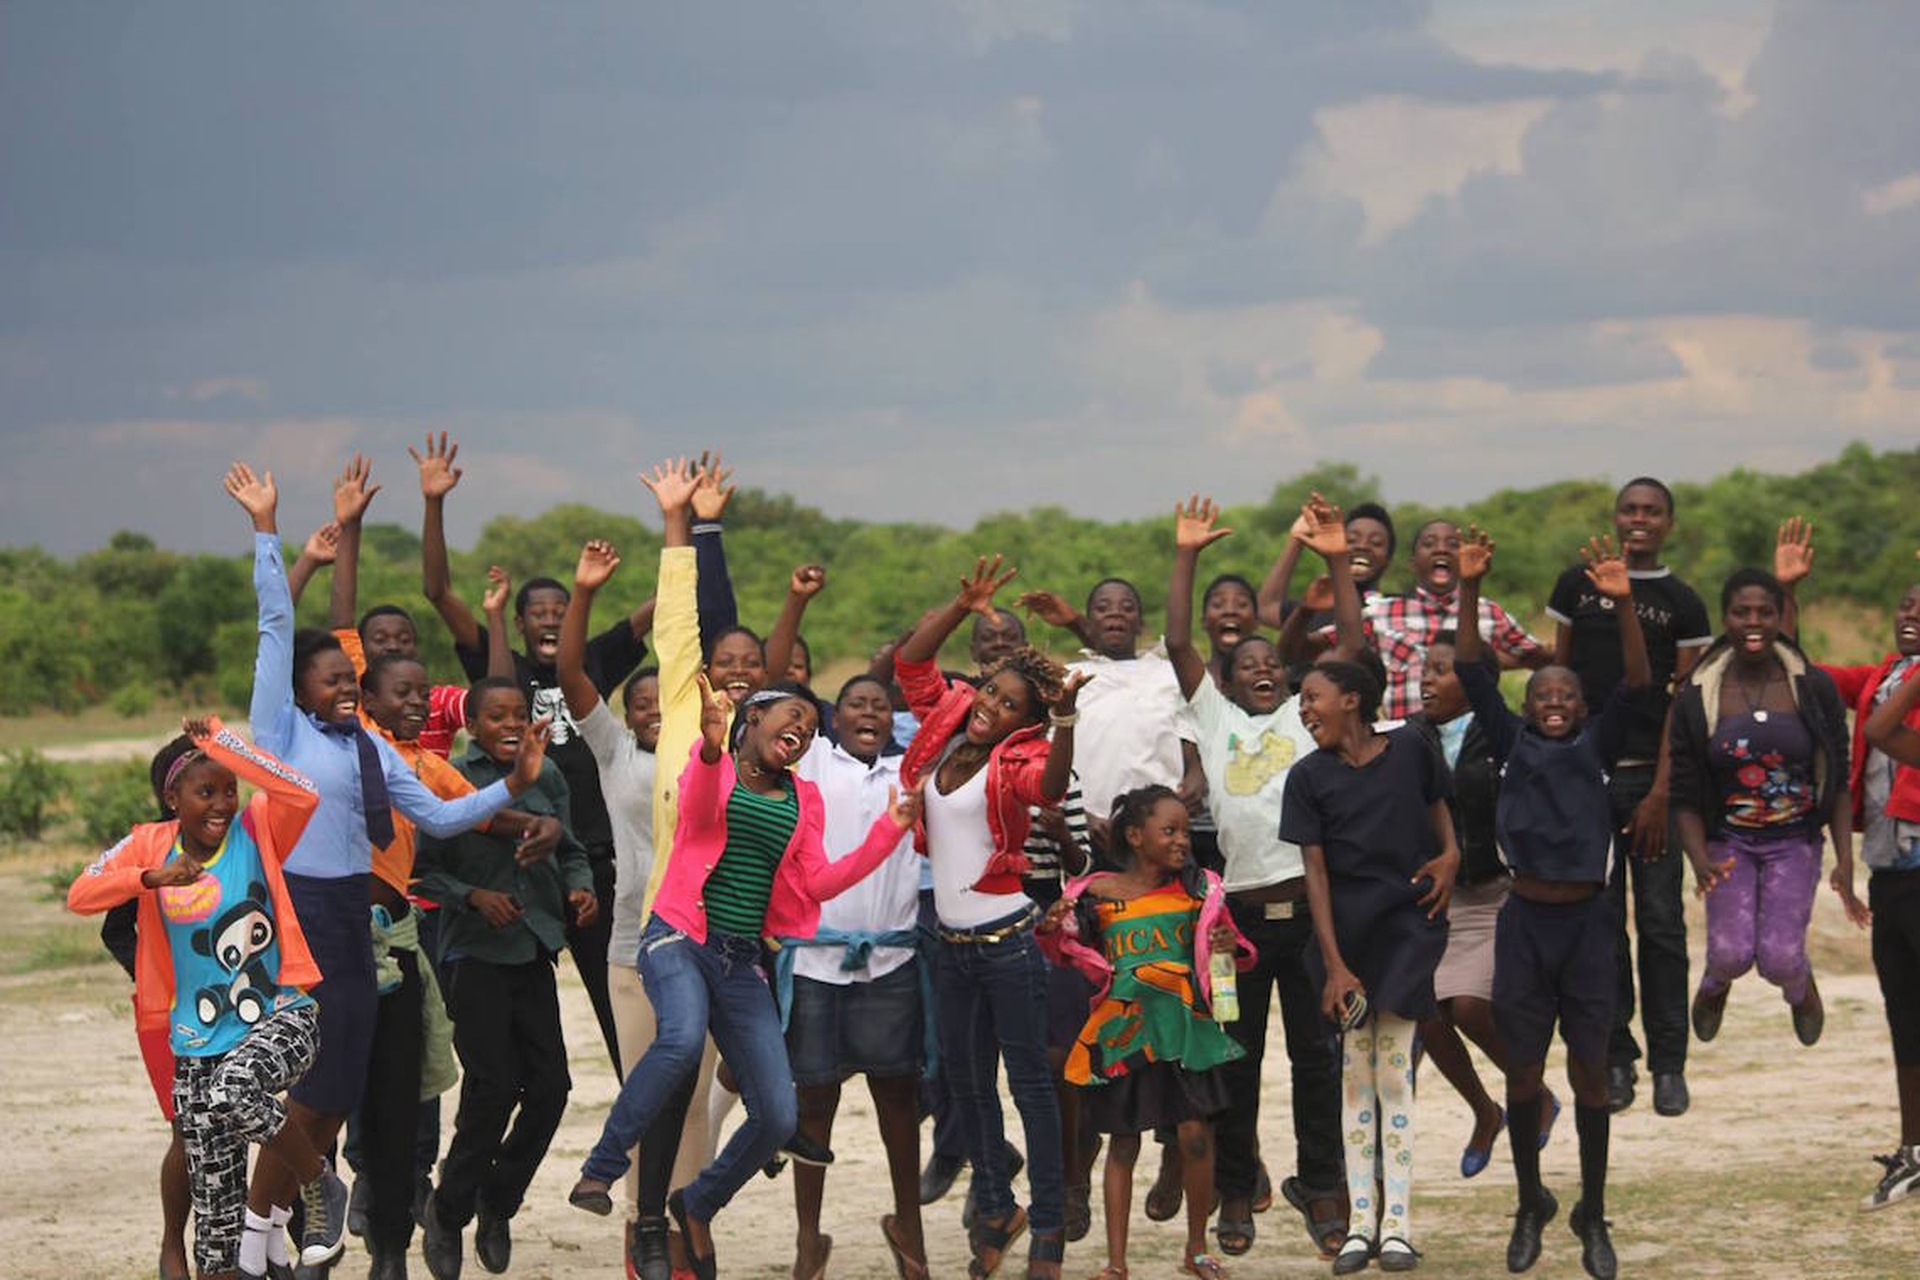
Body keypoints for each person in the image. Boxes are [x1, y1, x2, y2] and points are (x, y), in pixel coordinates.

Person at [226, 459, 546, 1269]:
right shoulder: (282, 733)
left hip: (364, 929)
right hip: (304, 918)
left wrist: (514, 783)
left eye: (351, 678)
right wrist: (268, 529)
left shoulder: (369, 748)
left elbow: (440, 816)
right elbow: (275, 623)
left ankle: (288, 1231)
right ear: (300, 689)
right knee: (310, 1092)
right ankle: (262, 1234)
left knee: (336, 1096)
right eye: (333, 677)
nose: (346, 685)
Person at [569, 675, 920, 1280]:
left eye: (810, 726)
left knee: (779, 1115)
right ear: (753, 718)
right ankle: (600, 1169)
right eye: (792, 715)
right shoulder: (712, 766)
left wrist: (889, 830)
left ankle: (697, 1203)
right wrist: (711, 748)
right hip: (679, 936)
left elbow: (818, 882)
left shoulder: (804, 797)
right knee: (681, 1040)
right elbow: (699, 811)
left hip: (739, 960)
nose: (802, 728)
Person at [68, 718, 349, 1280]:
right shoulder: (149, 843)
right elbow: (81, 893)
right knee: (217, 1238)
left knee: (236, 1087)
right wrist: (152, 878)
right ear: (173, 799)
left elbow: (302, 792)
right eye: (205, 792)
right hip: (197, 1044)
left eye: (229, 789)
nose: (222, 804)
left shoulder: (258, 827)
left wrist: (224, 741)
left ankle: (319, 1182)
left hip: (281, 1018)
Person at [415, 431, 656, 1074]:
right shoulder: (502, 671)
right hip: (519, 863)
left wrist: (687, 533)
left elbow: (659, 610)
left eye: (559, 610)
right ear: (521, 624)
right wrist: (434, 502)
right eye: (538, 612)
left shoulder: (592, 659)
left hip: (593, 861)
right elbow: (438, 592)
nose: (550, 619)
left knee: (621, 1005)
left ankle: (641, 1105)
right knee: (520, 1018)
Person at [1165, 493, 1359, 1260]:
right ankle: (1237, 1188)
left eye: (1273, 664)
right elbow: (1177, 640)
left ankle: (1323, 1186)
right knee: (1236, 1062)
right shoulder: (1213, 719)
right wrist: (1187, 554)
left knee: (1317, 1060)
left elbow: (1350, 646)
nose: (1263, 671)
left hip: (1308, 917)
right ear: (1227, 679)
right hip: (1234, 925)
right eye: (1248, 666)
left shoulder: (1301, 720)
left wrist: (1337, 561)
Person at [1455, 529, 1650, 1280]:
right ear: (1528, 705)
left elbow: (1638, 680)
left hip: (1590, 926)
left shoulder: (1596, 747)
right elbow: (1470, 668)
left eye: (1567, 694)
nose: (1557, 702)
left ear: (1583, 705)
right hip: (1526, 925)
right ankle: (1529, 1202)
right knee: (1525, 1074)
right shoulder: (1510, 743)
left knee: (1591, 1075)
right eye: (1544, 695)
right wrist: (1470, 587)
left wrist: (1623, 603)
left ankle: (1592, 1212)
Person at [894, 556, 1088, 1280]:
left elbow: (1052, 786)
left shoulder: (1024, 756)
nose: (991, 707)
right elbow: (911, 663)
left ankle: (1047, 1229)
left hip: (1007, 943)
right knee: (968, 1088)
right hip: (949, 945)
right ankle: (998, 1208)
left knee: (1030, 1088)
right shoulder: (948, 722)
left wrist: (1063, 720)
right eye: (990, 691)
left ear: (1027, 722)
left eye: (1009, 705)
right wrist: (961, 605)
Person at [1282, 662, 1460, 1274]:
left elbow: (1439, 807)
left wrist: (1451, 855)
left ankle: (1398, 1227)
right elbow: (1315, 874)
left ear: (1352, 700)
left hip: (1408, 928)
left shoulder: (1411, 746)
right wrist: (1335, 967)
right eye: (1302, 702)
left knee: (1394, 1075)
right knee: (1355, 1076)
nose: (1304, 709)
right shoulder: (1307, 777)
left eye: (1313, 697)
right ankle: (1361, 1225)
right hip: (1345, 942)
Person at [1546, 477, 1713, 1117]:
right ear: (1615, 518)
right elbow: (1559, 682)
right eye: (1629, 509)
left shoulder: (1682, 602)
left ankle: (1670, 1065)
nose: (1639, 519)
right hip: (1587, 778)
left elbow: (1684, 705)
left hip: (1652, 781)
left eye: (1652, 511)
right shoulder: (1576, 585)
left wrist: (1662, 791)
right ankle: (1617, 1057)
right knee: (1601, 924)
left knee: (1662, 924)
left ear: (1669, 523)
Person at [1039, 786, 1252, 1280]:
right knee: (1123, 1143)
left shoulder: (1200, 890)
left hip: (1185, 1030)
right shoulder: (1095, 896)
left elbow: (1229, 954)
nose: (1182, 841)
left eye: (1186, 832)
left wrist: (1226, 946)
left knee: (1195, 1137)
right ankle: (1116, 1263)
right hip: (1125, 1034)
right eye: (1169, 830)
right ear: (1135, 836)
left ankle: (1197, 1250)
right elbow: (1067, 952)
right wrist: (1055, 928)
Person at [416, 677, 590, 1280]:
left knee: (551, 1088)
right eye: (497, 715)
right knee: (491, 1087)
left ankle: (498, 1201)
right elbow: (420, 872)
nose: (511, 724)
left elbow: (572, 850)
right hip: (474, 955)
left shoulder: (549, 774)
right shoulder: (450, 780)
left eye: (519, 713)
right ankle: (448, 1211)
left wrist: (580, 888)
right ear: (472, 725)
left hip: (534, 946)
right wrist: (473, 896)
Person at [1777, 526, 1920, 1210]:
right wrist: (1788, 595)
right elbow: (1799, 674)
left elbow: (1887, 733)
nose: (1910, 614)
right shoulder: (1884, 676)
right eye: (1906, 605)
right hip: (1890, 868)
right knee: (1905, 1013)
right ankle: (1915, 1151)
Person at [1668, 568, 1865, 1050]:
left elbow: (1837, 778)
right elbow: (1684, 791)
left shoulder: (1812, 687)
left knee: (1779, 959)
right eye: (1742, 612)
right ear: (1725, 619)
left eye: (1765, 612)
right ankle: (1715, 984)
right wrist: (1700, 859)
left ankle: (1800, 989)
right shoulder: (1698, 695)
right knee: (1731, 954)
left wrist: (1844, 861)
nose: (1753, 622)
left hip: (1795, 841)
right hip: (1727, 841)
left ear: (1781, 617)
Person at [775, 672, 930, 1280]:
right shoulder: (812, 762)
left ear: (893, 719)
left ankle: (910, 1229)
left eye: (880, 706)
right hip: (815, 961)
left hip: (891, 961)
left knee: (897, 1099)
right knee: (815, 1100)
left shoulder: (910, 775)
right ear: (832, 718)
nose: (869, 713)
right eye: (856, 704)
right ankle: (807, 1239)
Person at [554, 538, 680, 1276]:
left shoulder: (710, 756)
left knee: (694, 1103)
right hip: (633, 947)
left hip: (703, 945)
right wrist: (585, 592)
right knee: (647, 1092)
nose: (654, 709)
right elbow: (572, 673)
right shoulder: (614, 755)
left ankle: (688, 1229)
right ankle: (642, 1230)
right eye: (640, 702)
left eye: (666, 700)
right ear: (624, 714)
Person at [1406, 632, 1559, 1184]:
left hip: (1499, 894)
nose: (1426, 679)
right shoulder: (1409, 737)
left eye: (1441, 669)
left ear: (1476, 681)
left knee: (1469, 1007)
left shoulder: (1506, 735)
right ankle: (1485, 1112)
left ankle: (1534, 1093)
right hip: (1436, 898)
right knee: (1428, 1015)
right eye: (1425, 669)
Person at [1293, 519, 1548, 722]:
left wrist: (1498, 660)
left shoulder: (1488, 613)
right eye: (1429, 543)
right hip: (1406, 740)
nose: (1441, 549)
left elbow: (1541, 658)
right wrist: (1306, 609)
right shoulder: (1382, 612)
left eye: (1452, 544)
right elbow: (1304, 650)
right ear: (1413, 563)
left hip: (1471, 744)